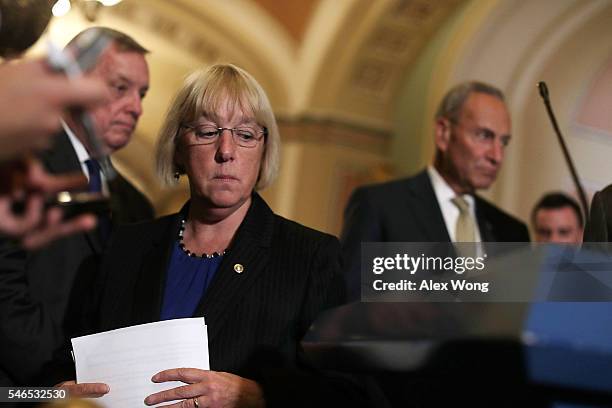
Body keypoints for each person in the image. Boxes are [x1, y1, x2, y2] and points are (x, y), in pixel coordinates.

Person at [58, 64, 370, 408]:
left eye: (246, 134)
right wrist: (56, 395)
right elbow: (41, 379)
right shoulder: (125, 247)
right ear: (178, 147)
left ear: (264, 150)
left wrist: (254, 396)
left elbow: (353, 396)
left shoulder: (311, 257)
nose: (226, 150)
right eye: (207, 132)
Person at [0, 27, 155, 386]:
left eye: (142, 94)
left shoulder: (137, 206)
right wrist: (62, 379)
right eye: (120, 88)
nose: (136, 107)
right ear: (71, 84)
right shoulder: (20, 165)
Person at [340, 81, 530, 300]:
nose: (496, 156)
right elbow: (350, 306)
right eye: (484, 136)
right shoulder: (380, 206)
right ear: (443, 133)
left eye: (504, 142)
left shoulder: (512, 233)